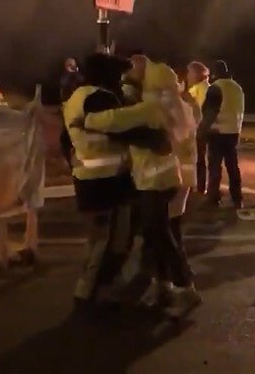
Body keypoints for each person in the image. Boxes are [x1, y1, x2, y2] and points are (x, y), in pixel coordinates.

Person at [81, 58, 202, 318]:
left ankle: (185, 288)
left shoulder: (151, 108)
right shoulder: (171, 106)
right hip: (162, 180)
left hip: (154, 183)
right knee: (158, 235)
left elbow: (113, 120)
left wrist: (87, 119)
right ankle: (165, 286)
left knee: (161, 236)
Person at [61, 53, 144, 314]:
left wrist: (73, 161)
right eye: (116, 74)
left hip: (86, 178)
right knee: (113, 241)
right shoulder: (102, 98)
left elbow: (66, 139)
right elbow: (125, 128)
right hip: (110, 181)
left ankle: (93, 291)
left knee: (97, 240)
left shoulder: (77, 97)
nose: (120, 80)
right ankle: (93, 294)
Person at [200, 60, 245, 209]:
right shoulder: (237, 88)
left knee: (215, 167)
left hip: (217, 132)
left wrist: (202, 131)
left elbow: (209, 113)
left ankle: (213, 197)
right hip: (233, 132)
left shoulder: (216, 88)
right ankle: (237, 198)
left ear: (214, 73)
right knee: (233, 166)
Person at [186, 61, 210, 195]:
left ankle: (196, 187)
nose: (188, 76)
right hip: (206, 128)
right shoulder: (208, 87)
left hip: (197, 129)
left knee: (196, 158)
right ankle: (202, 187)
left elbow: (194, 111)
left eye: (190, 73)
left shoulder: (196, 90)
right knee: (202, 159)